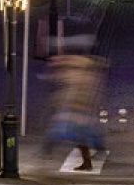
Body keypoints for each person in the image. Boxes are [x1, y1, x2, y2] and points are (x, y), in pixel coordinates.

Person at [45, 38, 107, 171]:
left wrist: (59, 100)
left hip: (77, 107)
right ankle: (91, 156)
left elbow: (72, 87)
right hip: (79, 107)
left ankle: (47, 149)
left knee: (73, 133)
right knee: (81, 135)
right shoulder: (84, 66)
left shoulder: (77, 68)